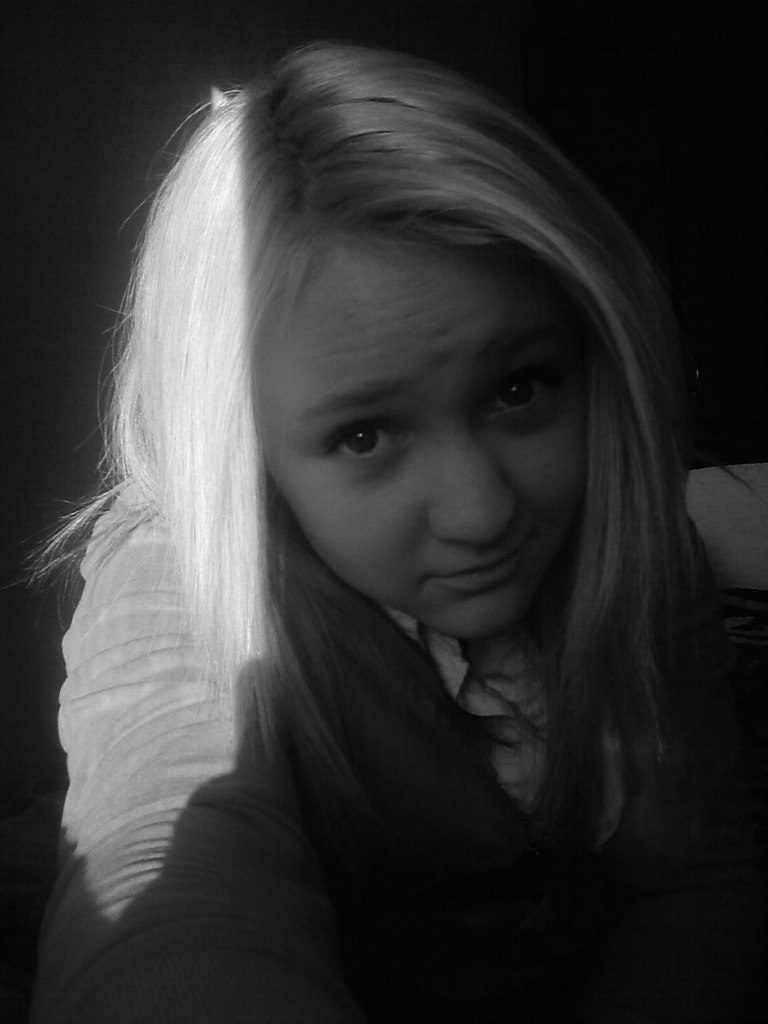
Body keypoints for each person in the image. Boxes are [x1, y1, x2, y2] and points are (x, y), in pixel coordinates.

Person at [31, 40, 764, 1023]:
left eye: (520, 388)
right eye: (364, 435)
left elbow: (698, 882)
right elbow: (165, 868)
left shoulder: (632, 537)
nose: (482, 511)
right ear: (240, 446)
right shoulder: (183, 572)